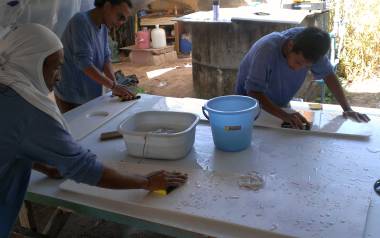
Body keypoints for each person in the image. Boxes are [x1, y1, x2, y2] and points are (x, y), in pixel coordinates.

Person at [0, 23, 187, 238]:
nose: (59, 76)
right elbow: (84, 168)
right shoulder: (28, 110)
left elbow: (9, 138)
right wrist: (146, 182)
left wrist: (44, 165)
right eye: (55, 67)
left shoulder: (6, 89)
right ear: (31, 63)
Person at [235, 27, 370, 129]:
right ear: (290, 46)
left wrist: (347, 109)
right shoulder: (267, 50)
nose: (298, 68)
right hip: (248, 108)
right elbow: (253, 91)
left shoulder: (312, 47)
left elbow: (328, 75)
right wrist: (285, 115)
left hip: (279, 107)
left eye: (306, 66)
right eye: (298, 62)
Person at [54, 0, 135, 113]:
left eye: (124, 19)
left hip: (88, 93)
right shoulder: (81, 21)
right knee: (79, 130)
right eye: (120, 16)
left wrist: (115, 85)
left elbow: (106, 58)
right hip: (71, 94)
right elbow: (85, 64)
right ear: (107, 6)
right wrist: (113, 86)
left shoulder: (104, 27)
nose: (121, 22)